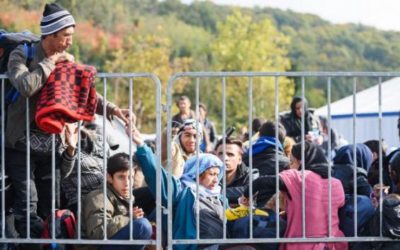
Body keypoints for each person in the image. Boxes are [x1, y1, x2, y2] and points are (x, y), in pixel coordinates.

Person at [5, 3, 134, 241]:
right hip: (20, 144)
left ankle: (47, 244)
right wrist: (50, 63)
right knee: (27, 203)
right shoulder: (23, 54)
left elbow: (83, 94)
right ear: (50, 35)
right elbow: (25, 85)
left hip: (51, 148)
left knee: (49, 204)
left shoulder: (66, 61)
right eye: (66, 36)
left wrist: (113, 110)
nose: (70, 42)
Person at [127, 123, 226, 250]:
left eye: (218, 175)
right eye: (212, 174)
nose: (216, 180)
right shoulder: (182, 191)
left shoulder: (220, 197)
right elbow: (157, 175)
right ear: (197, 174)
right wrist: (142, 146)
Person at [245, 141, 347, 250]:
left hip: (301, 245)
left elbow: (261, 182)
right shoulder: (337, 183)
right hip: (333, 244)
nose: (290, 167)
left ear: (301, 162)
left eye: (292, 162)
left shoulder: (297, 177)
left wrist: (245, 196)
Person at [82, 152, 152, 250]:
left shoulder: (123, 195)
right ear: (109, 178)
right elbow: (97, 233)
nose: (127, 183)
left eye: (130, 177)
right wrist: (129, 217)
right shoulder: (99, 197)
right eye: (121, 177)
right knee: (142, 226)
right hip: (96, 247)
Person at [59, 121, 116, 215]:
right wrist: (71, 149)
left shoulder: (99, 139)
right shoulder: (61, 145)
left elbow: (110, 168)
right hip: (83, 201)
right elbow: (63, 172)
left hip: (109, 195)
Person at [214, 137, 259, 206]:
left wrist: (214, 192)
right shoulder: (206, 173)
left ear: (239, 159)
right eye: (220, 154)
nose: (225, 158)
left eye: (230, 154)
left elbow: (250, 190)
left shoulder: (251, 174)